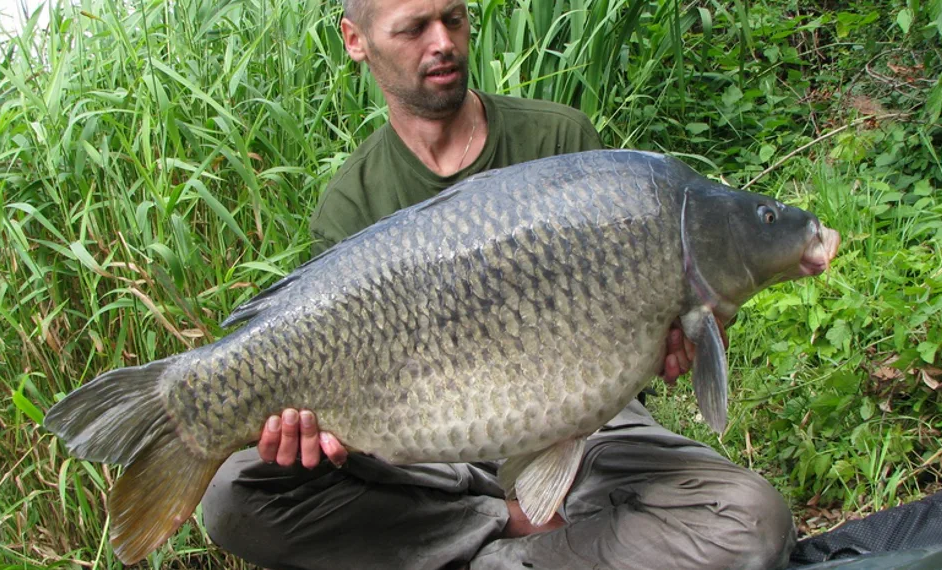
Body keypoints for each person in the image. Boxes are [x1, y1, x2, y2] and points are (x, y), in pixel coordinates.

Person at [200, 1, 797, 568]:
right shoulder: (351, 202)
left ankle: (460, 549)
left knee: (751, 523)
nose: (443, 43)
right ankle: (518, 531)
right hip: (426, 450)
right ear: (355, 41)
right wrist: (309, 437)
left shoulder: (561, 142)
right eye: (414, 29)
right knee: (232, 496)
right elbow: (350, 420)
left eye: (454, 19)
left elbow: (662, 330)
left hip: (587, 432)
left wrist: (686, 334)